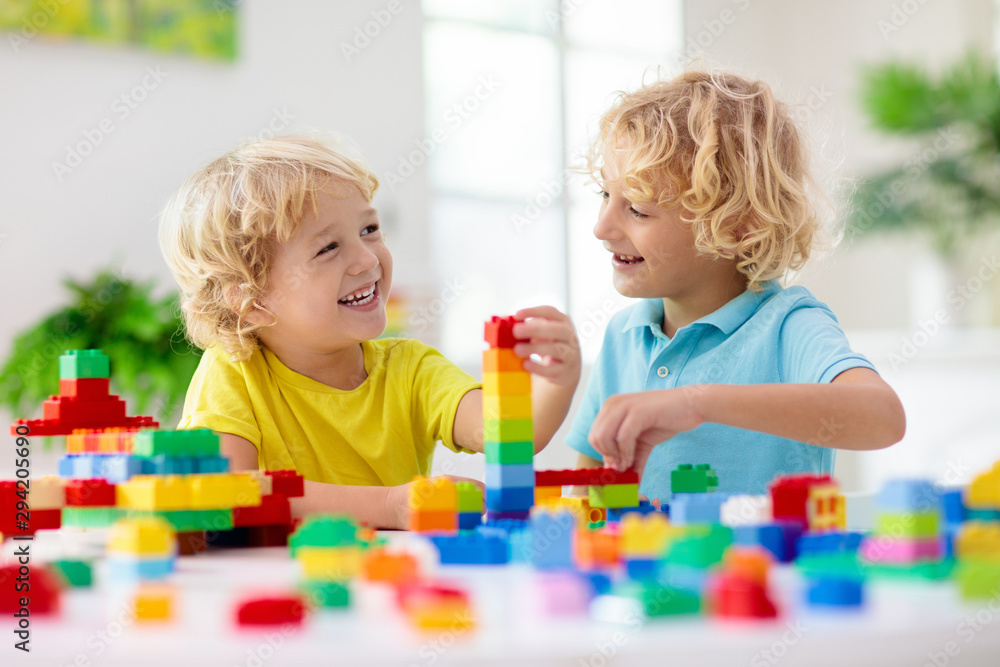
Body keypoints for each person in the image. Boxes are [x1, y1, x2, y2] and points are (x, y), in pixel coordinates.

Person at [159, 135, 580, 527]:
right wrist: (391, 505)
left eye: (369, 230)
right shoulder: (234, 373)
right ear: (252, 301)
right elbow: (231, 491)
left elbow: (510, 436)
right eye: (328, 248)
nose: (367, 259)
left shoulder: (411, 369)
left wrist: (555, 381)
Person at [565, 71, 905, 501]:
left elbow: (883, 417)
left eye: (636, 209)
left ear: (738, 224)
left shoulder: (787, 326)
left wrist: (698, 401)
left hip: (766, 568)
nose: (601, 227)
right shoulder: (622, 336)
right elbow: (587, 488)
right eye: (603, 195)